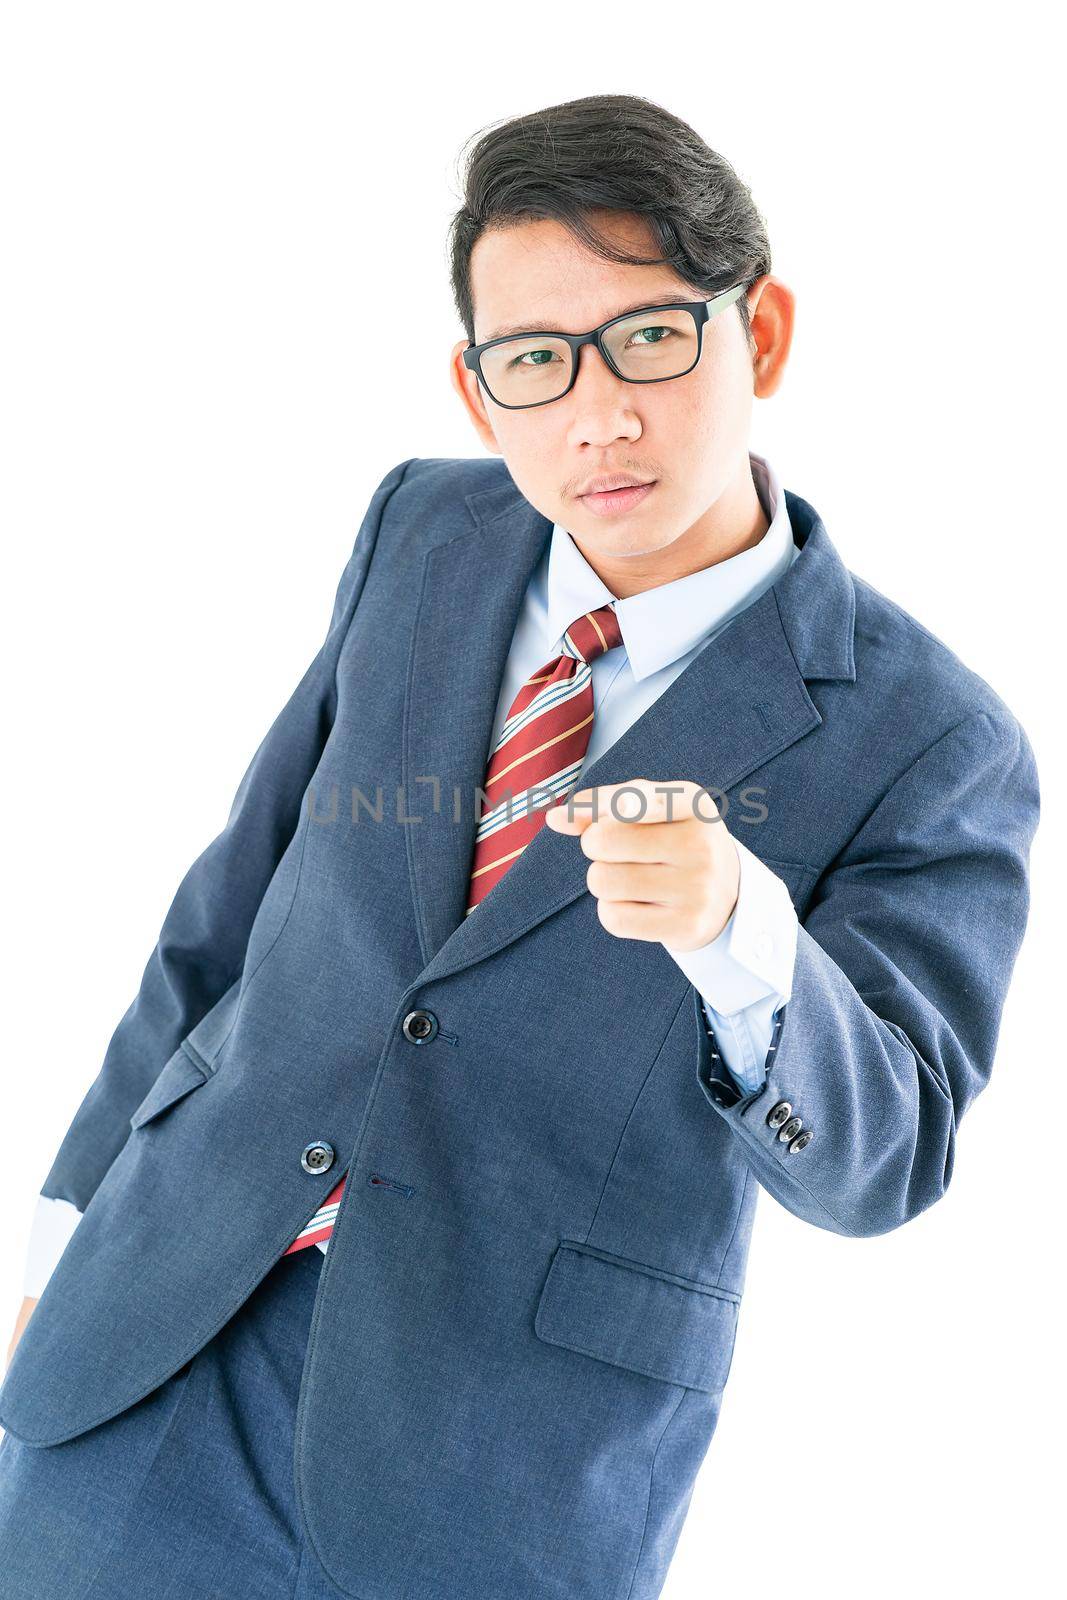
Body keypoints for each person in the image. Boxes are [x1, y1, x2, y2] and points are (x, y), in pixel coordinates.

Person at [0, 92, 1040, 1600]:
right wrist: (65, 1228)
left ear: (764, 335)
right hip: (164, 1337)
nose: (596, 414)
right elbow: (236, 906)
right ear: (477, 389)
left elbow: (887, 1162)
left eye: (651, 338)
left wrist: (745, 940)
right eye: (537, 362)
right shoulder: (423, 530)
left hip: (495, 1468)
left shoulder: (932, 736)